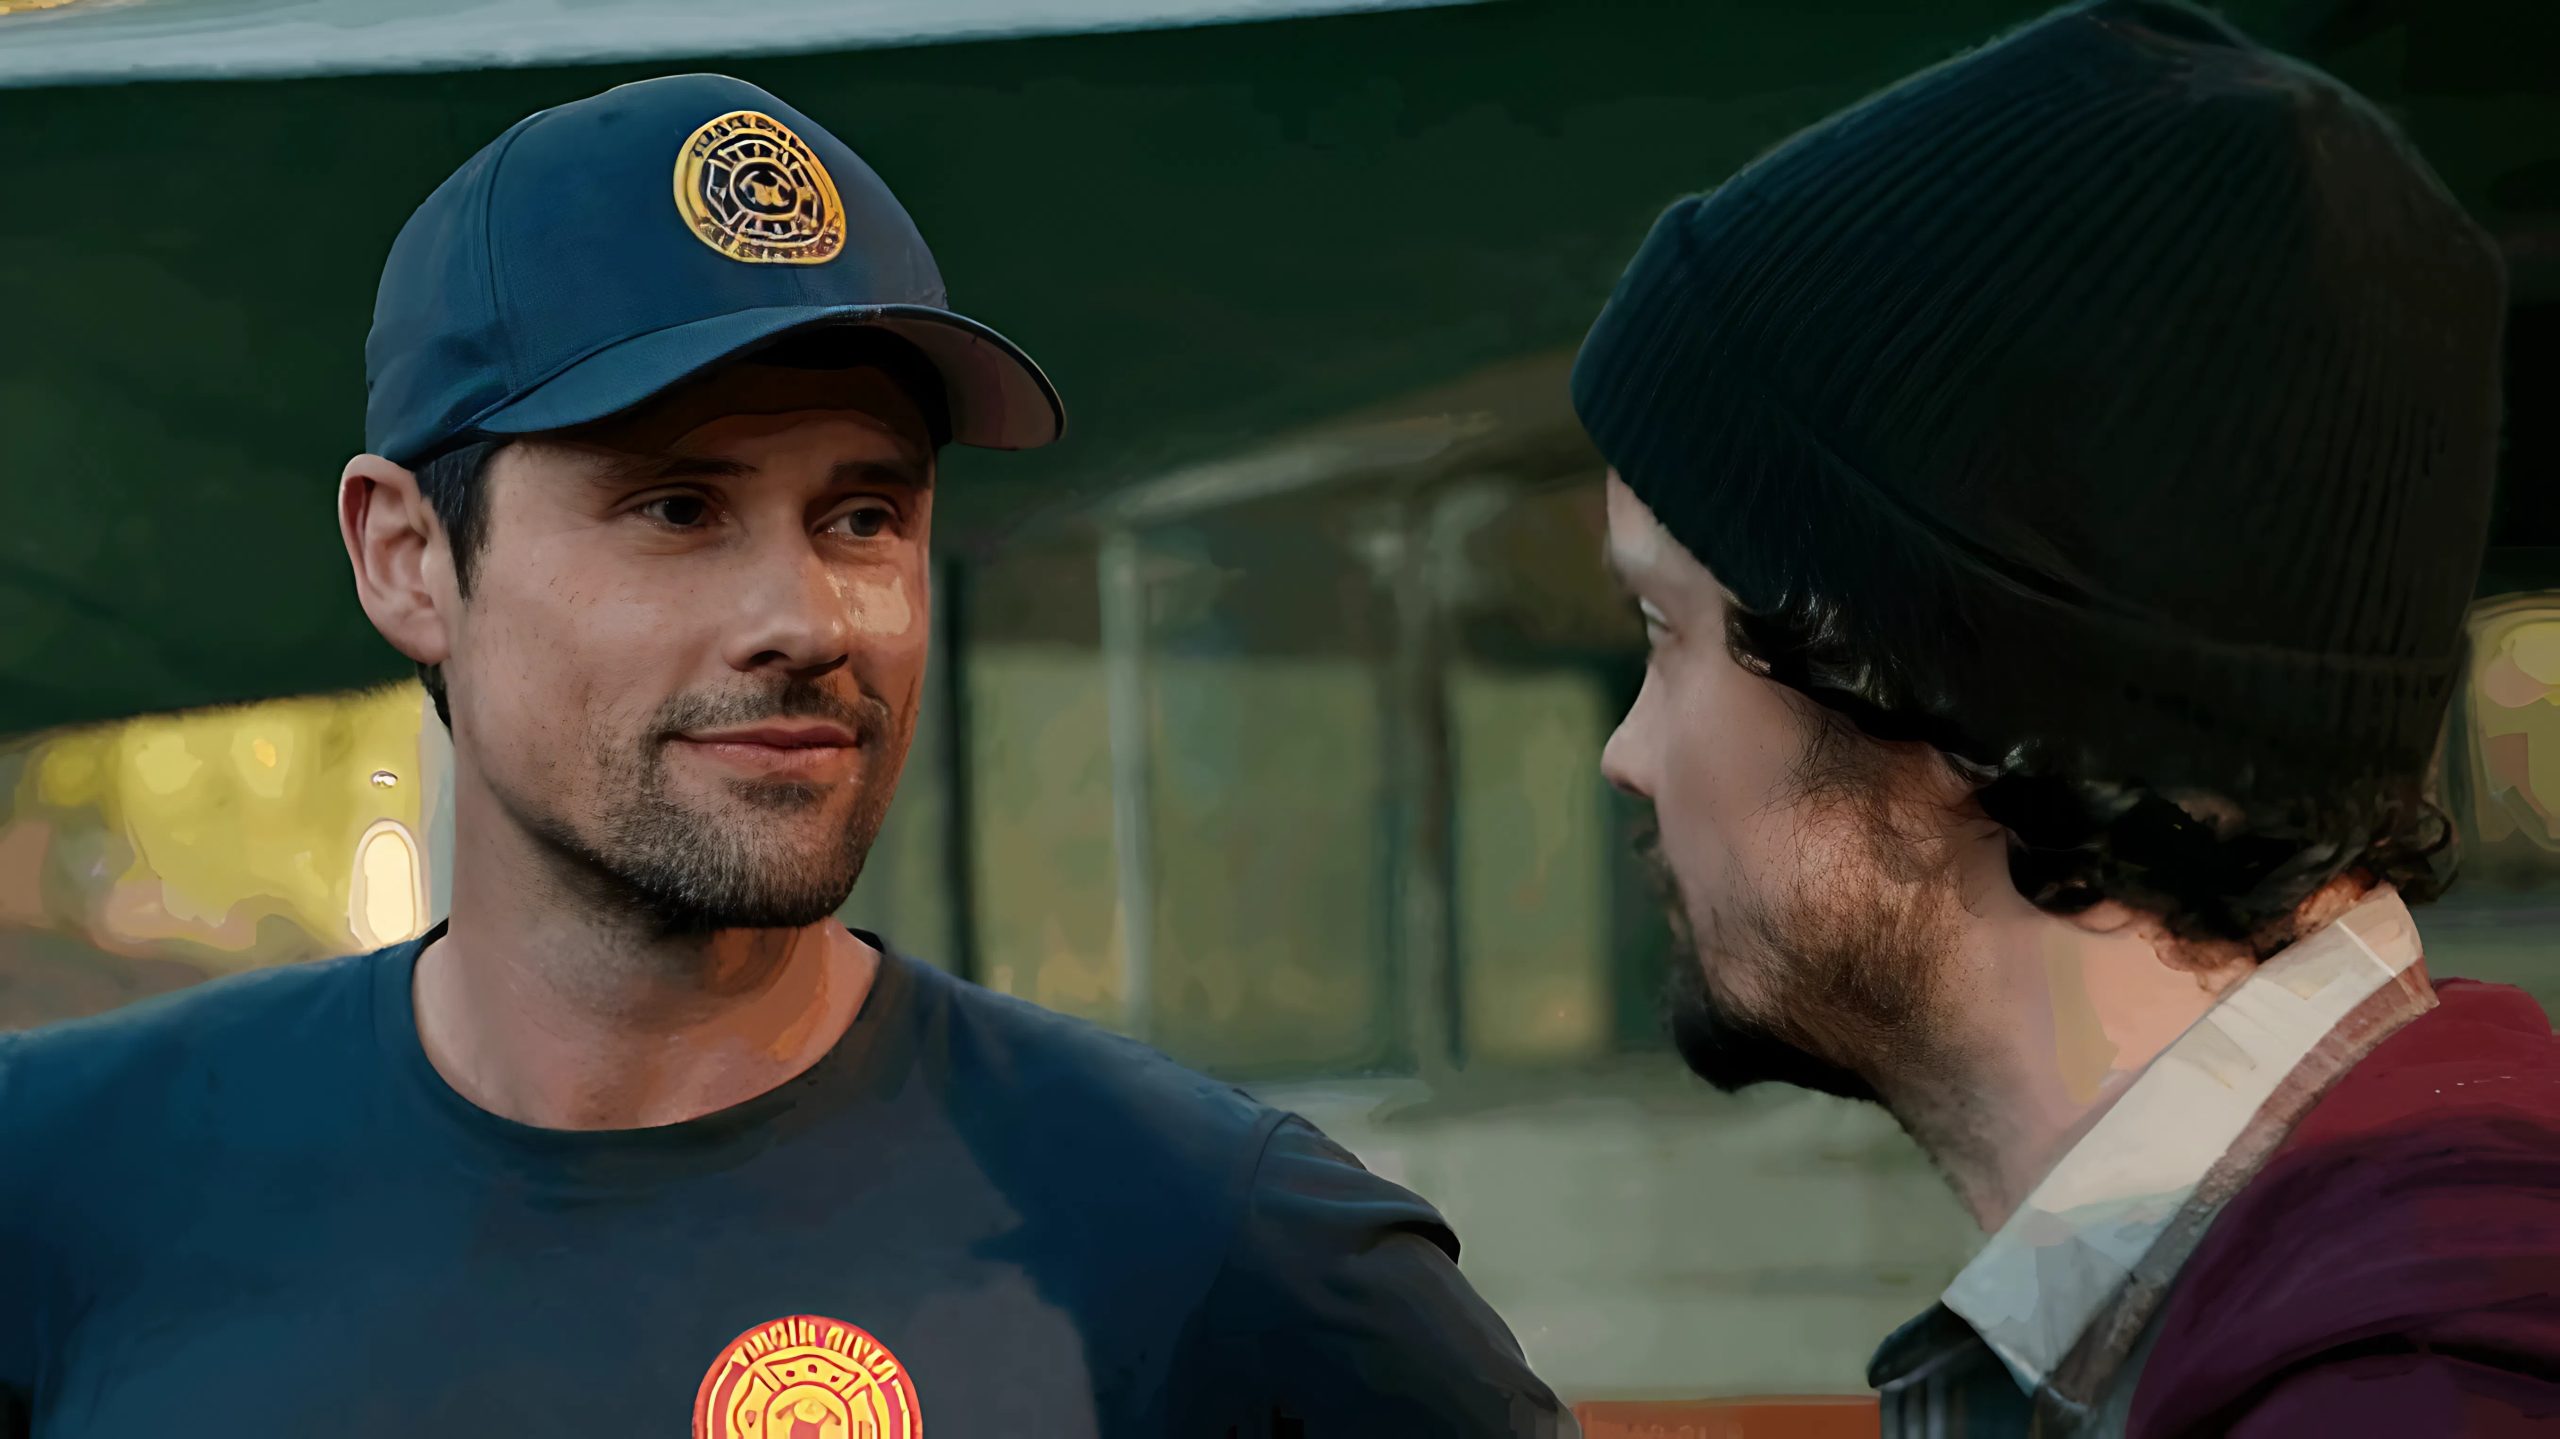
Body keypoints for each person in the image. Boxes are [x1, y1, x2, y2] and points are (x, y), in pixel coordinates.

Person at [0, 74, 1569, 1438]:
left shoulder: (1215, 1249)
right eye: (678, 507)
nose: (806, 617)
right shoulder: (58, 1186)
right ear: (408, 560)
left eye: (864, 515)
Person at [1570, 1, 2560, 1435]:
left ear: (1960, 696)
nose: (1625, 752)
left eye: (1668, 634)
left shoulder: (2407, 1399)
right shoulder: (2353, 1306)